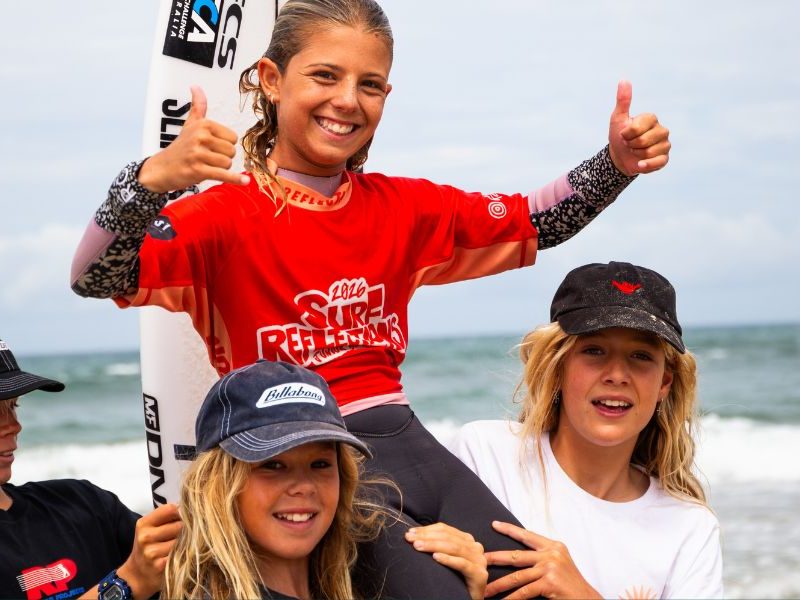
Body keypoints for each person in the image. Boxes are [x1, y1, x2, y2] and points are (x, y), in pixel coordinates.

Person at [70, 0, 672, 594]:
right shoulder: (221, 217)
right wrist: (147, 182)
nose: (347, 100)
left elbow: (535, 220)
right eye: (325, 76)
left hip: (410, 441)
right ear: (272, 81)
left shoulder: (403, 208)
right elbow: (94, 277)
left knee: (535, 585)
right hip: (315, 460)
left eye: (371, 84)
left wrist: (615, 165)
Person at [450, 261, 724, 599]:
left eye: (640, 355)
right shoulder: (485, 455)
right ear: (558, 365)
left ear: (664, 382)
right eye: (594, 350)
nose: (617, 374)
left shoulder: (688, 528)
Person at [164, 358, 487, 600]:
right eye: (273, 465)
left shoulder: (364, 583)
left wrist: (460, 589)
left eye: (320, 464)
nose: (304, 486)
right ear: (216, 484)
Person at [0, 336, 182, 600]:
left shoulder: (84, 503)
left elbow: (193, 573)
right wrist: (128, 584)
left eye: (13, 406)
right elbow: (138, 576)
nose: (14, 425)